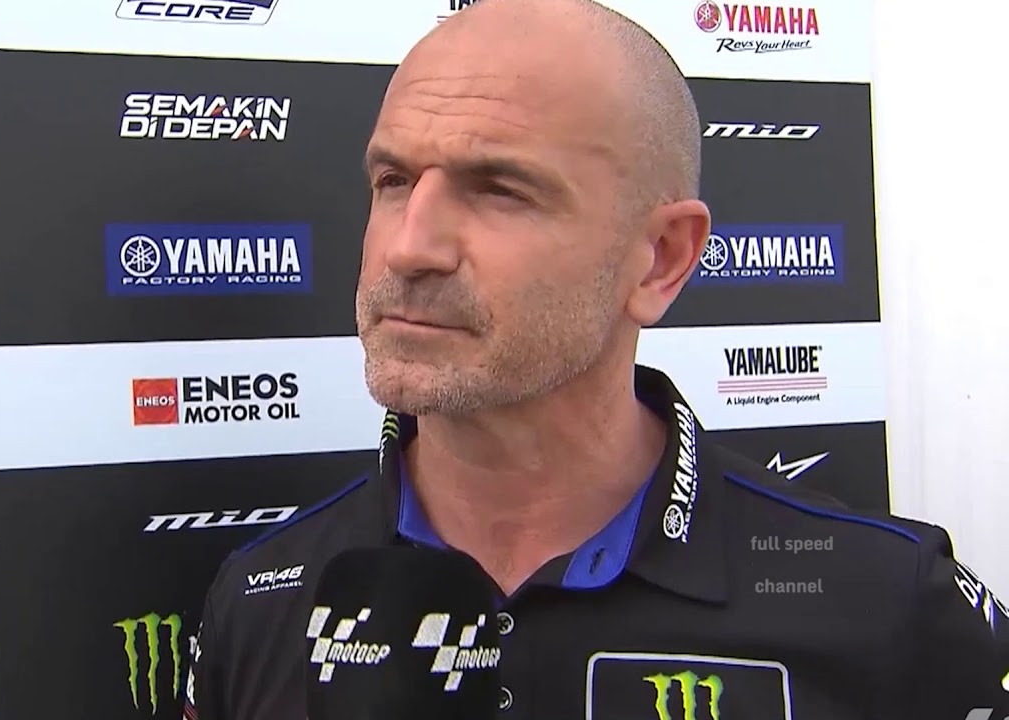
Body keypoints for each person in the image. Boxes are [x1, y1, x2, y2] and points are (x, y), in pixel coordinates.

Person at [181, 1, 1009, 718]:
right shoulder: (260, 600)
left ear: (660, 259)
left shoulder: (890, 605)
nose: (409, 247)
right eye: (394, 181)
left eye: (499, 189)